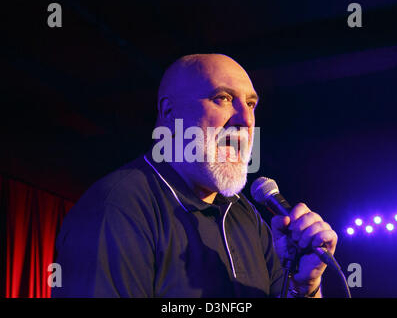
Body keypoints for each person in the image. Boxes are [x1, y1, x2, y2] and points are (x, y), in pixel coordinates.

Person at [52, 54, 337, 298]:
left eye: (251, 104)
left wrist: (304, 286)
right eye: (222, 99)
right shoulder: (119, 206)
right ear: (169, 111)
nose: (246, 120)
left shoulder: (246, 214)